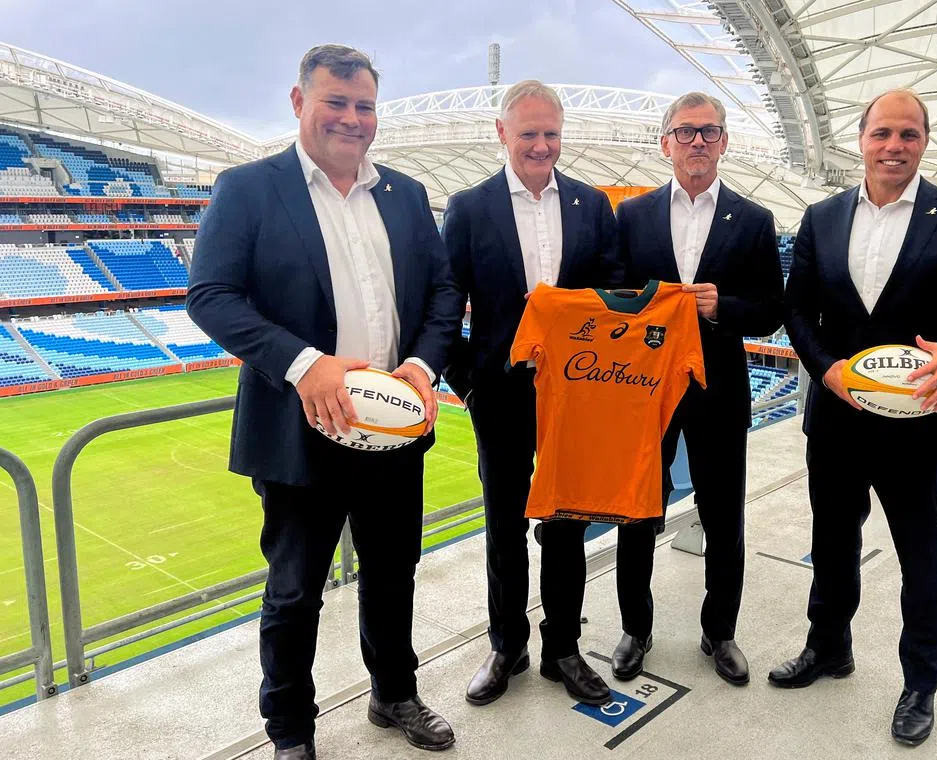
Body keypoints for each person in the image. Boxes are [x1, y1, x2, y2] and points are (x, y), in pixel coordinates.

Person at [187, 44, 464, 759]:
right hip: (298, 428)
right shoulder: (248, 188)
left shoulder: (404, 193)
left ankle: (394, 694)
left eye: (363, 105)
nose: (350, 118)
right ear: (299, 102)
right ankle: (290, 731)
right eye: (334, 102)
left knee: (393, 572)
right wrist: (302, 364)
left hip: (393, 430)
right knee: (293, 592)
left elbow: (441, 294)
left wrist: (420, 365)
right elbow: (210, 294)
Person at [768, 89, 937, 746]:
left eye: (907, 134)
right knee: (832, 545)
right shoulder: (821, 218)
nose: (894, 146)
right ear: (861, 139)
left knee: (922, 556)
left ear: (924, 141)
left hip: (919, 420)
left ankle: (920, 684)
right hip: (838, 418)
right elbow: (797, 311)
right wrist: (826, 368)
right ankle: (829, 648)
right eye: (882, 133)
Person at [441, 80, 622, 706]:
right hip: (500, 393)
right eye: (529, 135)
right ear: (502, 134)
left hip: (575, 394)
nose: (541, 146)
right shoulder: (467, 208)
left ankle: (563, 649)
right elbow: (445, 302)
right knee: (503, 525)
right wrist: (467, 382)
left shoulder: (592, 206)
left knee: (568, 523)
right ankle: (506, 644)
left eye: (550, 134)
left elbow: (614, 296)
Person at [611, 92, 785, 686]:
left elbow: (770, 310)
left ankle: (721, 631)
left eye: (709, 132)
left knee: (723, 513)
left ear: (724, 141)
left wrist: (722, 307)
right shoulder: (631, 217)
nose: (698, 143)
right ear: (665, 143)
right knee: (638, 510)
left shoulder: (756, 220)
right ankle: (636, 629)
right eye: (685, 133)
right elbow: (613, 298)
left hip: (719, 387)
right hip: (645, 388)